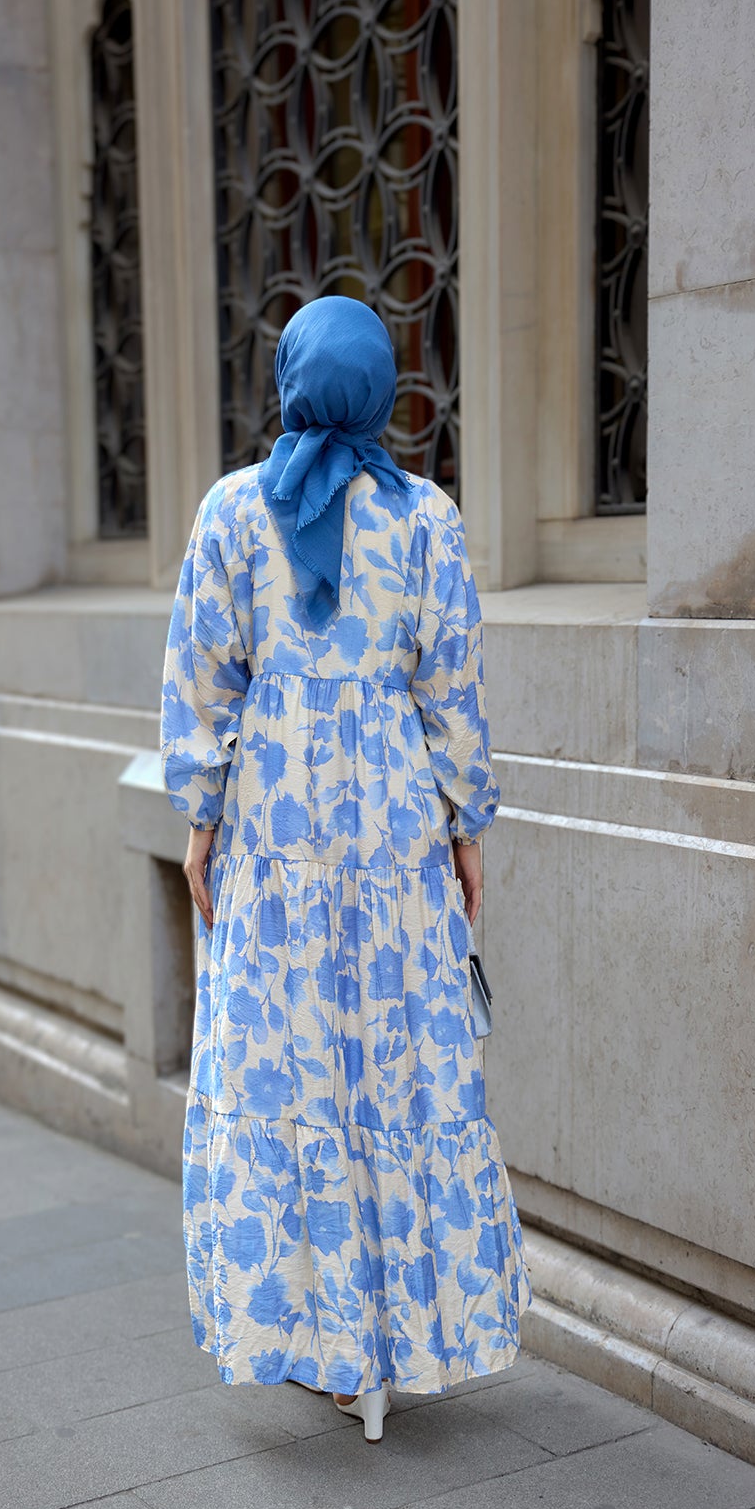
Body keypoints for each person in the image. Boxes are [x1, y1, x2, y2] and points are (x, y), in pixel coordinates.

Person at [160, 295, 531, 1442]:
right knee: (396, 1068)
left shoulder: (234, 510)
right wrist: (466, 825)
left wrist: (200, 816)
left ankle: (319, 1339)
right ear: (384, 389)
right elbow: (451, 688)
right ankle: (395, 1343)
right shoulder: (425, 518)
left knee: (293, 1067)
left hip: (276, 827)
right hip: (392, 833)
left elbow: (202, 679)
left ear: (292, 380)